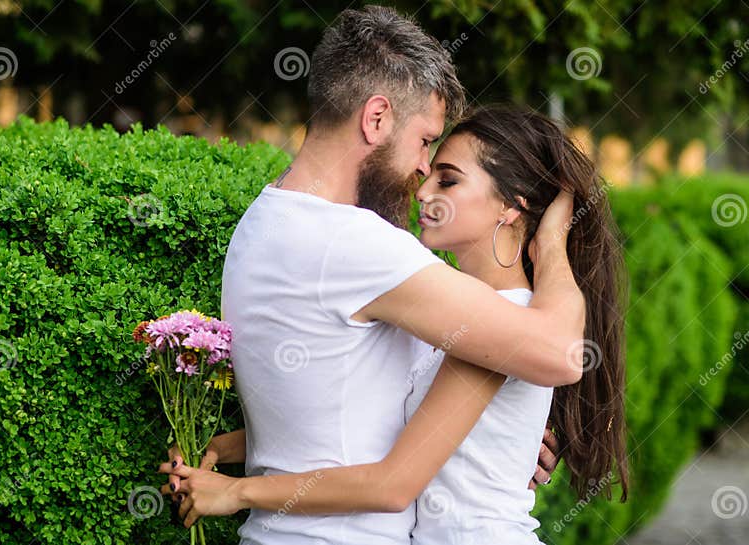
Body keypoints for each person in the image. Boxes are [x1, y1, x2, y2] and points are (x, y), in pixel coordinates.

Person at [159, 7, 585, 545]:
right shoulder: (357, 246)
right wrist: (550, 243)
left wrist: (492, 443)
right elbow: (561, 353)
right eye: (426, 140)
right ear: (377, 118)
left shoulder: (261, 223)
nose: (424, 168)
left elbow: (326, 401)